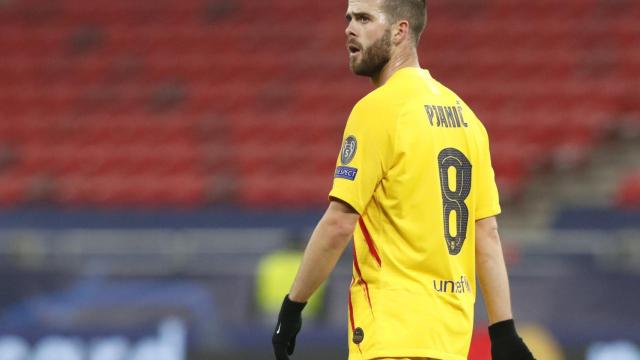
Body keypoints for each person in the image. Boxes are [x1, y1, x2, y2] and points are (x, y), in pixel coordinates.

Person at [272, 0, 536, 359]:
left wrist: (292, 307)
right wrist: (503, 331)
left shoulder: (378, 109)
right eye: (348, 18)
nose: (350, 28)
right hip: (449, 340)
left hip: (392, 334)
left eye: (364, 18)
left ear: (400, 31)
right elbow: (485, 233)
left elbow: (339, 223)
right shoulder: (467, 119)